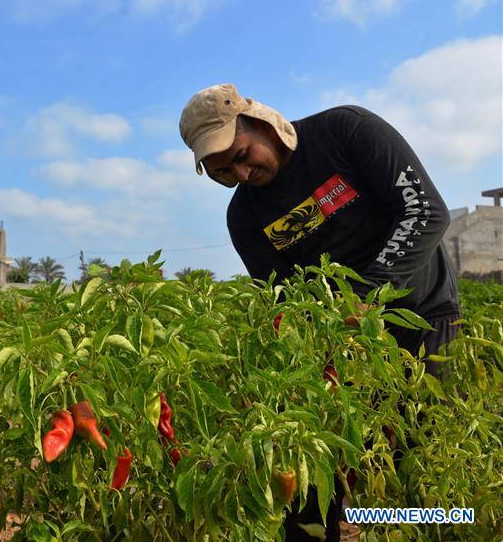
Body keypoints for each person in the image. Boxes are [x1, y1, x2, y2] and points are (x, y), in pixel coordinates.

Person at [179, 84, 460, 542]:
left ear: (261, 122)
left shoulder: (345, 131)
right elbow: (283, 303)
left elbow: (425, 210)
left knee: (421, 460)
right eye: (224, 172)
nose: (244, 173)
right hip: (342, 347)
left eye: (243, 154)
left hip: (423, 318)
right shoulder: (246, 219)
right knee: (313, 477)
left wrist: (366, 297)